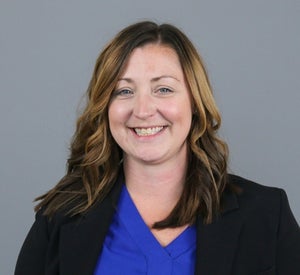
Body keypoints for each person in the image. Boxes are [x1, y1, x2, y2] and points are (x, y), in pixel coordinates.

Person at [15, 21, 300, 275]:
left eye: (163, 89)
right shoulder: (60, 216)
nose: (143, 109)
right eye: (124, 91)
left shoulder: (266, 216)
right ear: (105, 108)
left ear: (194, 101)